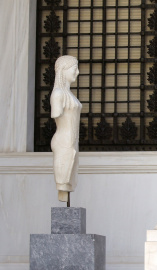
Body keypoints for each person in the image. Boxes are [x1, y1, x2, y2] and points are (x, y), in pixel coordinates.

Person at [50, 55, 82, 203]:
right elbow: (57, 115)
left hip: (72, 143)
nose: (78, 72)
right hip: (63, 142)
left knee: (70, 180)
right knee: (63, 180)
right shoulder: (58, 94)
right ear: (64, 70)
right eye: (74, 69)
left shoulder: (69, 95)